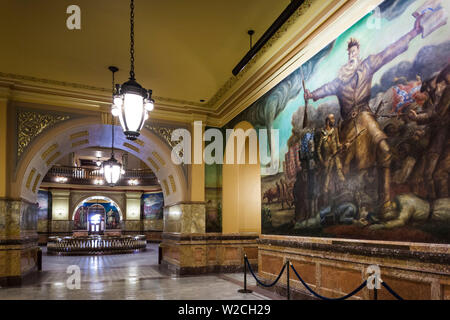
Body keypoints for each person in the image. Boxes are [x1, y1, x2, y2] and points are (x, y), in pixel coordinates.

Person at [304, 16, 424, 219]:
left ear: (358, 54)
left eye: (355, 52)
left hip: (366, 117)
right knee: (353, 170)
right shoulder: (340, 80)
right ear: (347, 55)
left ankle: (385, 204)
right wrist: (311, 94)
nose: (352, 55)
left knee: (384, 149)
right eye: (350, 52)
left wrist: (413, 32)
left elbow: (389, 52)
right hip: (349, 125)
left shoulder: (367, 66)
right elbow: (324, 89)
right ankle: (358, 206)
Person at [408, 65, 450, 198]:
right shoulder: (441, 89)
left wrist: (417, 117)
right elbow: (434, 113)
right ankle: (436, 204)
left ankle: (440, 205)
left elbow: (436, 114)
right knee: (431, 173)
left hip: (442, 135)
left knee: (437, 173)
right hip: (438, 135)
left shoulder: (446, 90)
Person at [317, 114, 345, 197]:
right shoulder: (322, 133)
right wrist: (323, 162)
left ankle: (342, 195)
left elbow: (338, 144)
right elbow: (318, 150)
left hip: (336, 159)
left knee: (341, 177)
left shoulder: (335, 131)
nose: (334, 120)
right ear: (328, 121)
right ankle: (325, 198)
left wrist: (344, 145)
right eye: (332, 119)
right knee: (326, 181)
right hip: (327, 161)